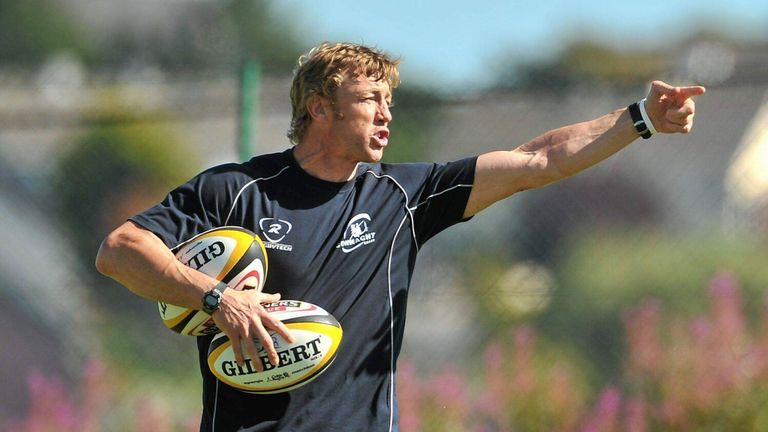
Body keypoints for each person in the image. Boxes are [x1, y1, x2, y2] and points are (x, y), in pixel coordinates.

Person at [95, 42, 705, 431]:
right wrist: (216, 298)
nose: (387, 113)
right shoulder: (235, 190)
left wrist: (641, 120)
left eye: (390, 100)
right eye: (369, 100)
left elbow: (537, 159)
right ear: (320, 109)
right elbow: (120, 250)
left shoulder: (404, 198)